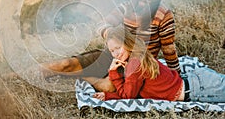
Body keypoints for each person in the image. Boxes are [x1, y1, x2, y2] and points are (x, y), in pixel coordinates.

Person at [41, 0, 181, 92]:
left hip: (136, 66)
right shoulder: (127, 7)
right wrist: (113, 36)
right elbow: (102, 24)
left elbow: (169, 49)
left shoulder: (164, 15)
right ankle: (27, 75)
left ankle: (81, 77)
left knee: (108, 86)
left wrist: (177, 74)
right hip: (112, 56)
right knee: (65, 64)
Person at [93, 26, 225, 102]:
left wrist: (113, 73)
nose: (115, 54)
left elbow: (128, 96)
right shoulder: (136, 57)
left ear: (128, 43)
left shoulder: (134, 64)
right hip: (196, 80)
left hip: (199, 89)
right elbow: (135, 91)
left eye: (118, 48)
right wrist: (109, 95)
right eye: (112, 51)